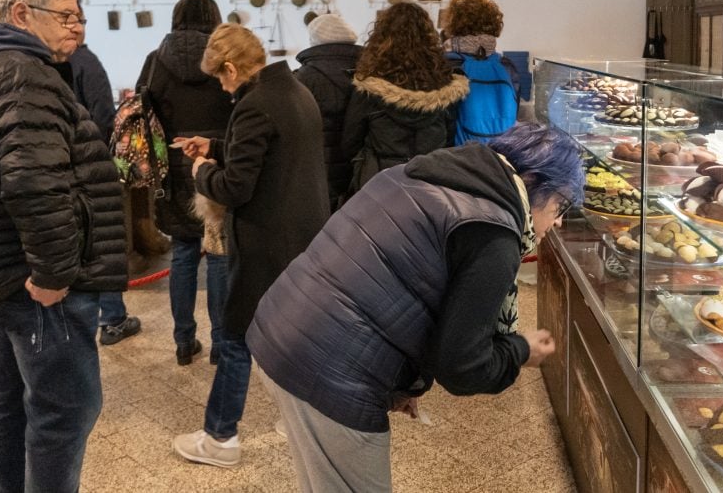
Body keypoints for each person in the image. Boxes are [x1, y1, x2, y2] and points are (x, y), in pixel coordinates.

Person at [248, 123, 583, 492]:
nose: (559, 221)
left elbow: (398, 283)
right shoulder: (493, 233)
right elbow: (464, 369)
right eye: (560, 204)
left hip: (282, 328)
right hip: (328, 371)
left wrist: (403, 382)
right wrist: (522, 349)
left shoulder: (423, 173)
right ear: (533, 180)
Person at [0, 0, 127, 493]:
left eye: (80, 15)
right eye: (66, 15)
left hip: (3, 272)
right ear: (21, 12)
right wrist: (54, 273)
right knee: (65, 411)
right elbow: (33, 185)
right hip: (40, 284)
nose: (78, 26)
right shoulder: (23, 74)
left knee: (8, 401)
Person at [170, 23, 329, 468]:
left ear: (232, 67)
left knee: (237, 338)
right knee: (294, 337)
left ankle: (220, 438)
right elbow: (273, 153)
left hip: (266, 241)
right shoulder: (295, 91)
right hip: (303, 235)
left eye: (221, 78)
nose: (222, 88)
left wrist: (201, 169)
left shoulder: (254, 104)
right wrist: (217, 145)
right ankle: (304, 422)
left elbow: (236, 188)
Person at [136, 0, 232, 366]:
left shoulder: (156, 60)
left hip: (173, 166)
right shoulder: (223, 57)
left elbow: (144, 112)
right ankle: (222, 343)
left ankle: (183, 340)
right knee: (220, 256)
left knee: (184, 254)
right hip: (216, 160)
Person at [341, 2, 469, 196]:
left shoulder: (368, 89)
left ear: (381, 39)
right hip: (432, 181)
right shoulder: (445, 88)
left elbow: (350, 143)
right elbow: (449, 138)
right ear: (429, 38)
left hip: (380, 183)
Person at [69, 3, 141, 347]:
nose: (77, 25)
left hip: (56, 169)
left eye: (79, 19)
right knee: (101, 243)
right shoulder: (86, 62)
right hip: (87, 168)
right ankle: (112, 318)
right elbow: (102, 120)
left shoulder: (42, 63)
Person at [293, 13, 361, 212]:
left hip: (317, 171)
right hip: (360, 169)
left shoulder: (301, 80)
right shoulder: (370, 73)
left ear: (314, 41)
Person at [441, 0, 520, 143]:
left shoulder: (446, 65)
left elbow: (441, 123)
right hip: (500, 156)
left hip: (459, 157)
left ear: (453, 24)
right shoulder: (506, 66)